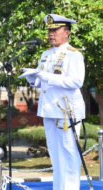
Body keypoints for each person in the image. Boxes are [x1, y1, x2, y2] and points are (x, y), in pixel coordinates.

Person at [24, 14, 85, 190]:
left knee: (69, 153)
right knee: (56, 154)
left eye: (55, 30)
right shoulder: (46, 54)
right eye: (49, 30)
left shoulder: (74, 55)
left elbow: (76, 81)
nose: (51, 34)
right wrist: (33, 79)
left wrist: (46, 76)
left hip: (67, 110)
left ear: (66, 32)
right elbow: (43, 82)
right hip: (49, 108)